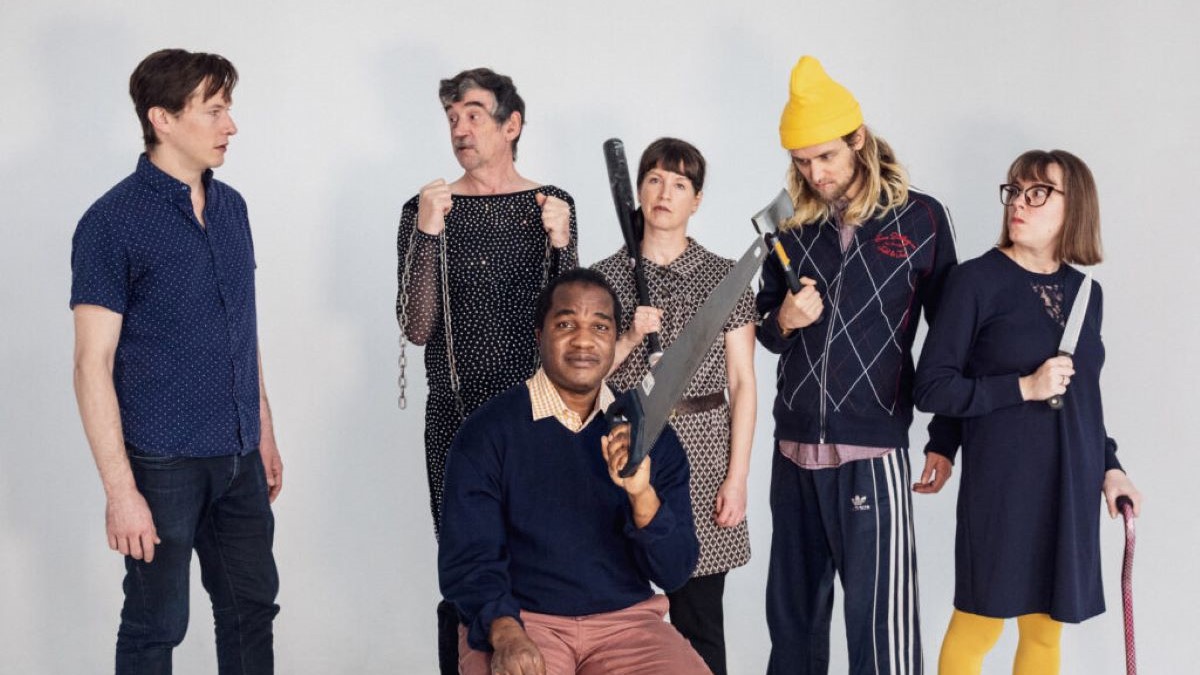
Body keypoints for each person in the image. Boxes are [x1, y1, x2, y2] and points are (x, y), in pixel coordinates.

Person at [70, 49, 281, 673]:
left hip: (240, 456)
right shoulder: (111, 223)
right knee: (155, 626)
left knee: (251, 611)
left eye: (228, 109)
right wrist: (120, 492)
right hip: (162, 461)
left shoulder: (233, 207)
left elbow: (242, 327)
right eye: (213, 111)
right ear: (162, 119)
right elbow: (90, 364)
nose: (230, 126)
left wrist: (264, 429)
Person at [755, 55, 959, 674]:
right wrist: (784, 319)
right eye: (801, 161)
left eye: (825, 156)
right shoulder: (788, 224)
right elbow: (766, 331)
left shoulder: (922, 219)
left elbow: (950, 340)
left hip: (871, 450)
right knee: (793, 629)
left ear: (858, 140)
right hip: (793, 451)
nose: (814, 173)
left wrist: (945, 437)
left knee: (881, 633)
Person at [914, 150, 1142, 675]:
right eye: (1015, 191)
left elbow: (1086, 400)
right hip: (1003, 482)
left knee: (1044, 629)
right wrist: (1022, 388)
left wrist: (1111, 467)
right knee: (978, 624)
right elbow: (934, 386)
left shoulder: (1087, 294)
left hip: (1070, 483)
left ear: (1073, 206)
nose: (1019, 202)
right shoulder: (974, 281)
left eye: (1038, 193)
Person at [395, 67, 578, 672]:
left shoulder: (551, 204)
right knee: (466, 567)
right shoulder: (428, 209)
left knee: (540, 562)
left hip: (539, 418)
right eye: (452, 118)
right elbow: (417, 325)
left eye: (473, 114)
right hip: (457, 419)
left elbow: (572, 327)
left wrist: (563, 246)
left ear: (511, 124)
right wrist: (427, 233)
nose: (460, 129)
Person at [438, 268, 710, 675]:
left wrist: (641, 495)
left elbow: (674, 571)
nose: (583, 340)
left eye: (600, 327)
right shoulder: (487, 433)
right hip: (523, 620)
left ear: (615, 339)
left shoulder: (649, 435)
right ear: (539, 335)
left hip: (627, 625)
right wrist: (505, 630)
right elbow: (469, 558)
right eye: (566, 324)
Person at [591, 137, 755, 675]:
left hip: (704, 455)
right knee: (615, 617)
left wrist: (737, 478)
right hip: (627, 449)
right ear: (639, 190)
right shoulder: (603, 279)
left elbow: (743, 383)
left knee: (699, 620)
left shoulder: (725, 277)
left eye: (680, 184)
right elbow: (583, 379)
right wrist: (630, 336)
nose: (665, 193)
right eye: (655, 180)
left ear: (697, 199)